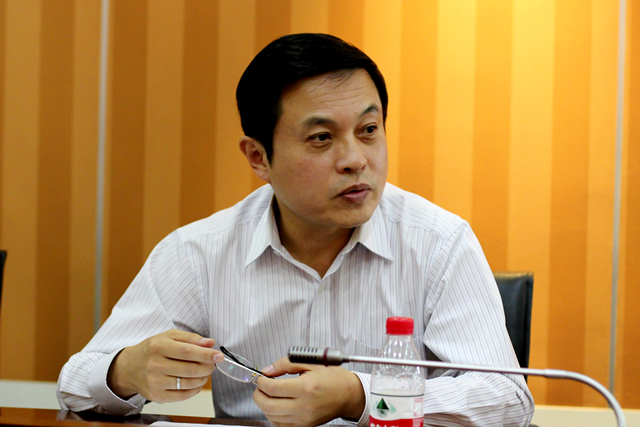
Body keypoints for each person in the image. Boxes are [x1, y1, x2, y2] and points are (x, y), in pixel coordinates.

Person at [57, 33, 534, 427]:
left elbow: (506, 399)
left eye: (369, 130)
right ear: (258, 157)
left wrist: (360, 396)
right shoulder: (198, 253)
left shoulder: (438, 242)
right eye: (322, 138)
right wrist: (127, 371)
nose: (355, 160)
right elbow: (75, 386)